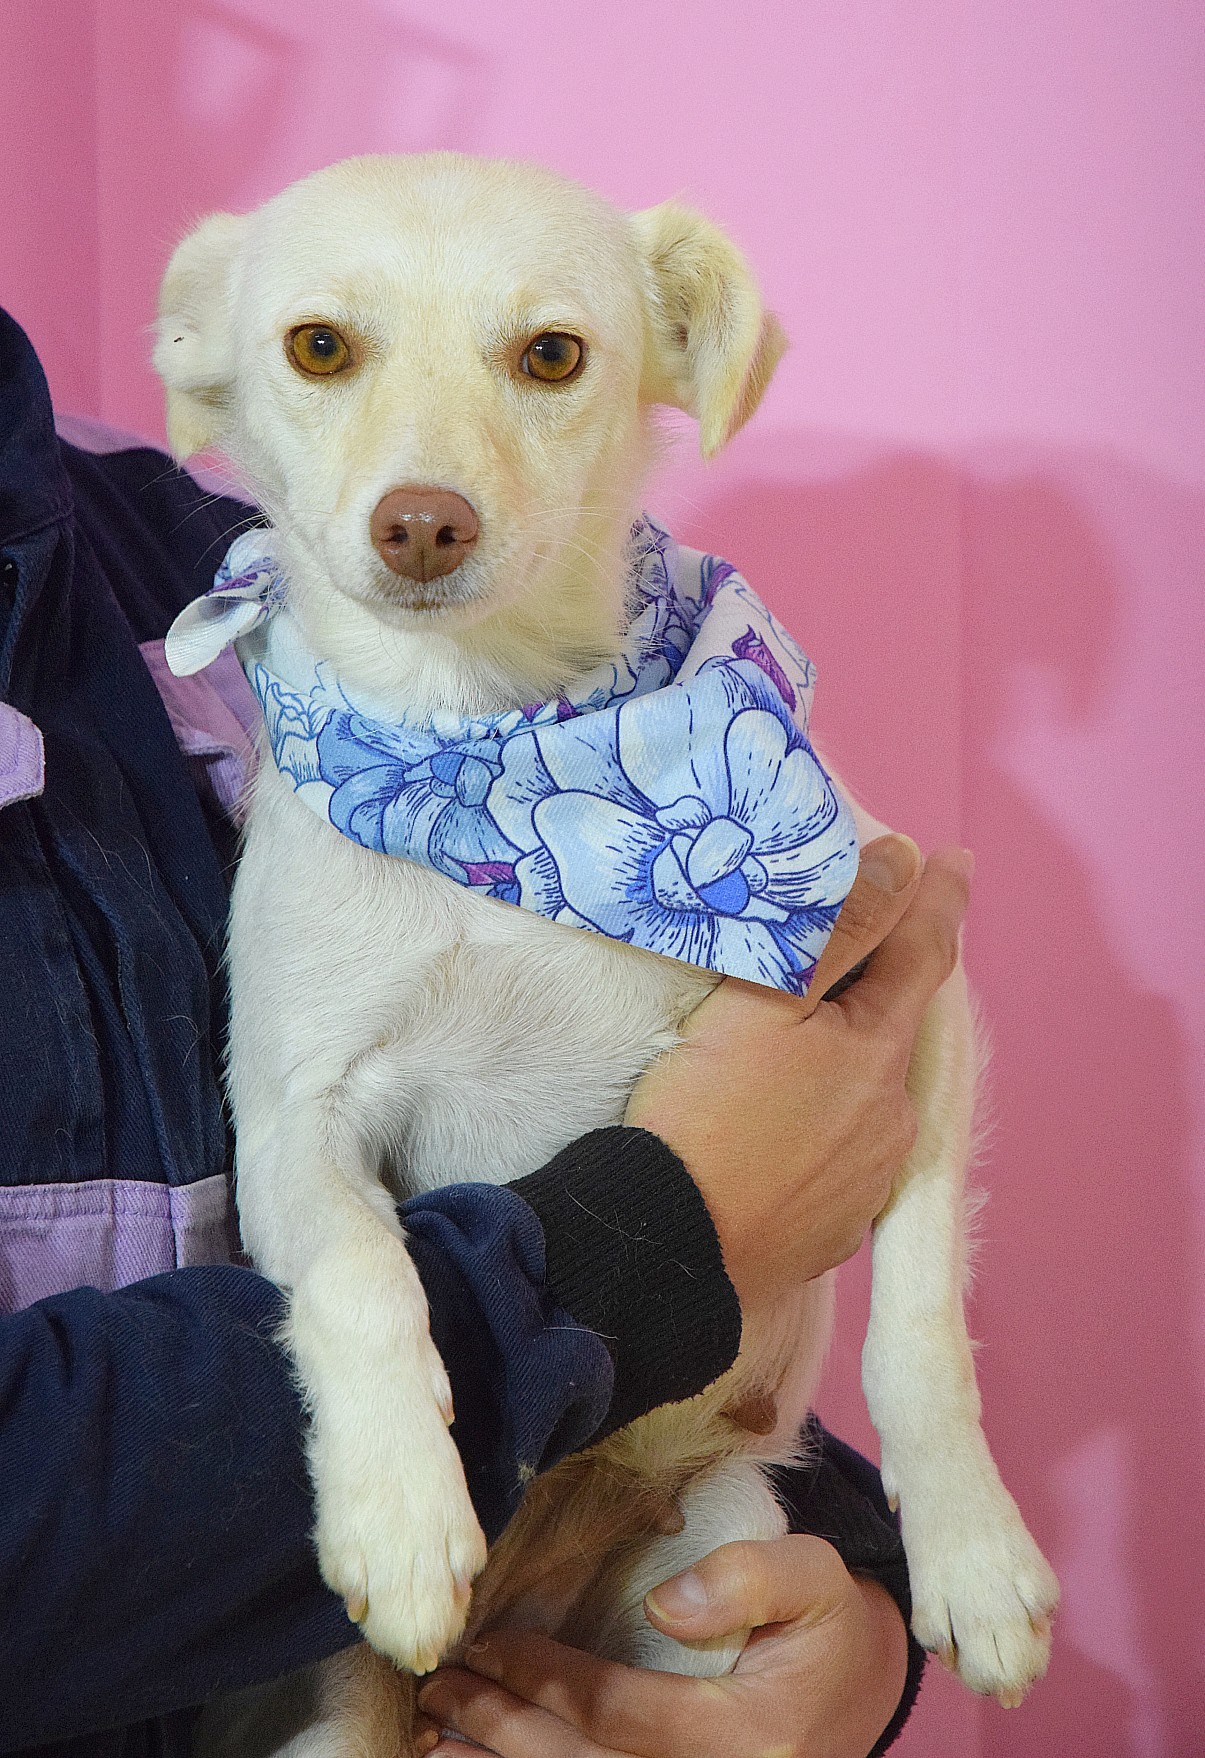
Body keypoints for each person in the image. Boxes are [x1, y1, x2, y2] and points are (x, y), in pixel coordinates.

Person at [0, 306, 966, 1757]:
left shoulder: (229, 562)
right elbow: (671, 1198)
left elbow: (663, 1125)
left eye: (545, 358)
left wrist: (841, 1608)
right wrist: (642, 1242)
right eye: (327, 349)